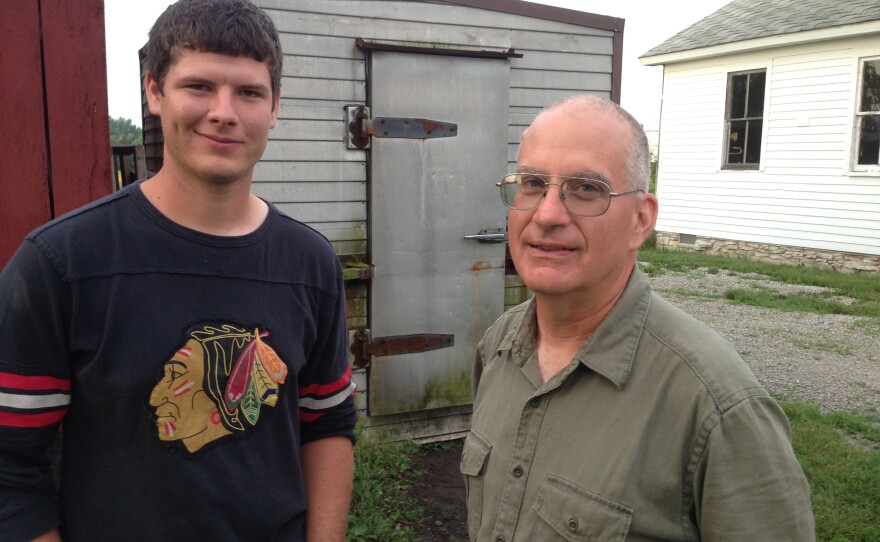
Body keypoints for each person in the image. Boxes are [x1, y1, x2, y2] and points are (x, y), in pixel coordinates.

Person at [0, 1, 357, 540]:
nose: (224, 111)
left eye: (249, 92)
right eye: (198, 86)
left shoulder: (309, 264)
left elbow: (327, 423)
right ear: (154, 92)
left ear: (275, 107)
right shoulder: (62, 264)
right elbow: (9, 466)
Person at [461, 95, 815, 541]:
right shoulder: (498, 348)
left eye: (586, 189)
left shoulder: (716, 406)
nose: (547, 214)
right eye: (532, 183)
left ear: (641, 219)